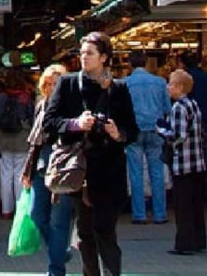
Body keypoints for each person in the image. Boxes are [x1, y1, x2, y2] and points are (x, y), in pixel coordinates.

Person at [44, 32, 139, 276]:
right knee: (85, 232)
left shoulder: (118, 88)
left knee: (104, 229)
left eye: (90, 53)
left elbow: (133, 130)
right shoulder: (67, 84)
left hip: (110, 169)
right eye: (82, 53)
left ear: (104, 57)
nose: (84, 57)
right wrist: (76, 124)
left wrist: (118, 133)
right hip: (80, 170)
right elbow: (50, 122)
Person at [23, 64, 75, 276]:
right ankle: (59, 252)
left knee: (59, 220)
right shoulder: (41, 105)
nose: (53, 88)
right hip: (42, 166)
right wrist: (28, 170)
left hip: (63, 166)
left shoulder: (72, 107)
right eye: (49, 84)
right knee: (37, 214)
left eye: (57, 84)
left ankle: (56, 269)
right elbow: (35, 143)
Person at [155, 69, 206, 256]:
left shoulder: (178, 108)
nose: (168, 87)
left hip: (183, 163)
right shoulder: (194, 104)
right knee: (196, 205)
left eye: (171, 84)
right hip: (197, 162)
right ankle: (199, 241)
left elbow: (178, 136)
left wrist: (161, 131)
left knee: (183, 206)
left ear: (180, 87)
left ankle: (184, 244)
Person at [122, 52, 171, 224]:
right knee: (156, 173)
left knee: (136, 173)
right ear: (146, 62)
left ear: (130, 64)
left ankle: (139, 214)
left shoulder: (124, 84)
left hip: (134, 131)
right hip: (156, 130)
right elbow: (167, 108)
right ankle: (160, 214)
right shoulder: (160, 82)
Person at [178, 52, 207, 213]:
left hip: (191, 129)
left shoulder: (185, 83)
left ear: (182, 64)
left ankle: (194, 200)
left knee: (192, 166)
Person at [0, 69, 35, 221]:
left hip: (4, 139)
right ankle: (19, 208)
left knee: (5, 174)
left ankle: (6, 209)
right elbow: (31, 118)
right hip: (22, 138)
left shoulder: (2, 97)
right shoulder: (26, 97)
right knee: (19, 174)